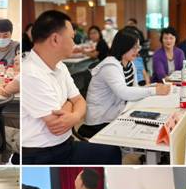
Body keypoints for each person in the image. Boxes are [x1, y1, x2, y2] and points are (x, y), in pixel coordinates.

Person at [21, 10, 121, 164]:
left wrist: (73, 116)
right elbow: (57, 125)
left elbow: (80, 100)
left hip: (65, 144)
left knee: (112, 151)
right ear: (55, 39)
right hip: (41, 154)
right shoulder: (30, 73)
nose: (74, 44)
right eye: (72, 38)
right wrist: (70, 104)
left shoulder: (60, 66)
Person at [80, 28, 170, 138]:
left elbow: (135, 88)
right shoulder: (110, 66)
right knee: (142, 131)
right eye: (134, 47)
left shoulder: (130, 64)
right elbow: (124, 92)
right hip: (100, 120)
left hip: (116, 112)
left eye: (138, 47)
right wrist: (154, 90)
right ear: (123, 46)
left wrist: (152, 86)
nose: (137, 51)